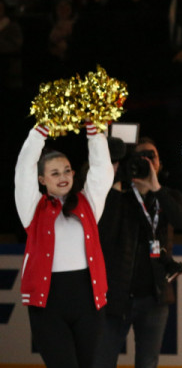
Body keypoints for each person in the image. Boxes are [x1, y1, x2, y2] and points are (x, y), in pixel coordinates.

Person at [14, 121, 114, 368]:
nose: (63, 177)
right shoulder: (32, 209)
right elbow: (23, 168)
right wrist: (40, 131)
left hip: (88, 299)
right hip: (48, 304)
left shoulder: (88, 202)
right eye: (55, 173)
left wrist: (95, 130)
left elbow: (102, 170)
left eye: (67, 171)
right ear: (41, 179)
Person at [92, 137, 182, 368]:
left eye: (151, 156)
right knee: (102, 362)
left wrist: (156, 188)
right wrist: (118, 183)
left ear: (160, 164)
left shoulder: (168, 196)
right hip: (117, 299)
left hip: (155, 299)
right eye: (140, 157)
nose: (146, 161)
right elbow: (103, 235)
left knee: (147, 363)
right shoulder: (119, 198)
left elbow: (181, 220)